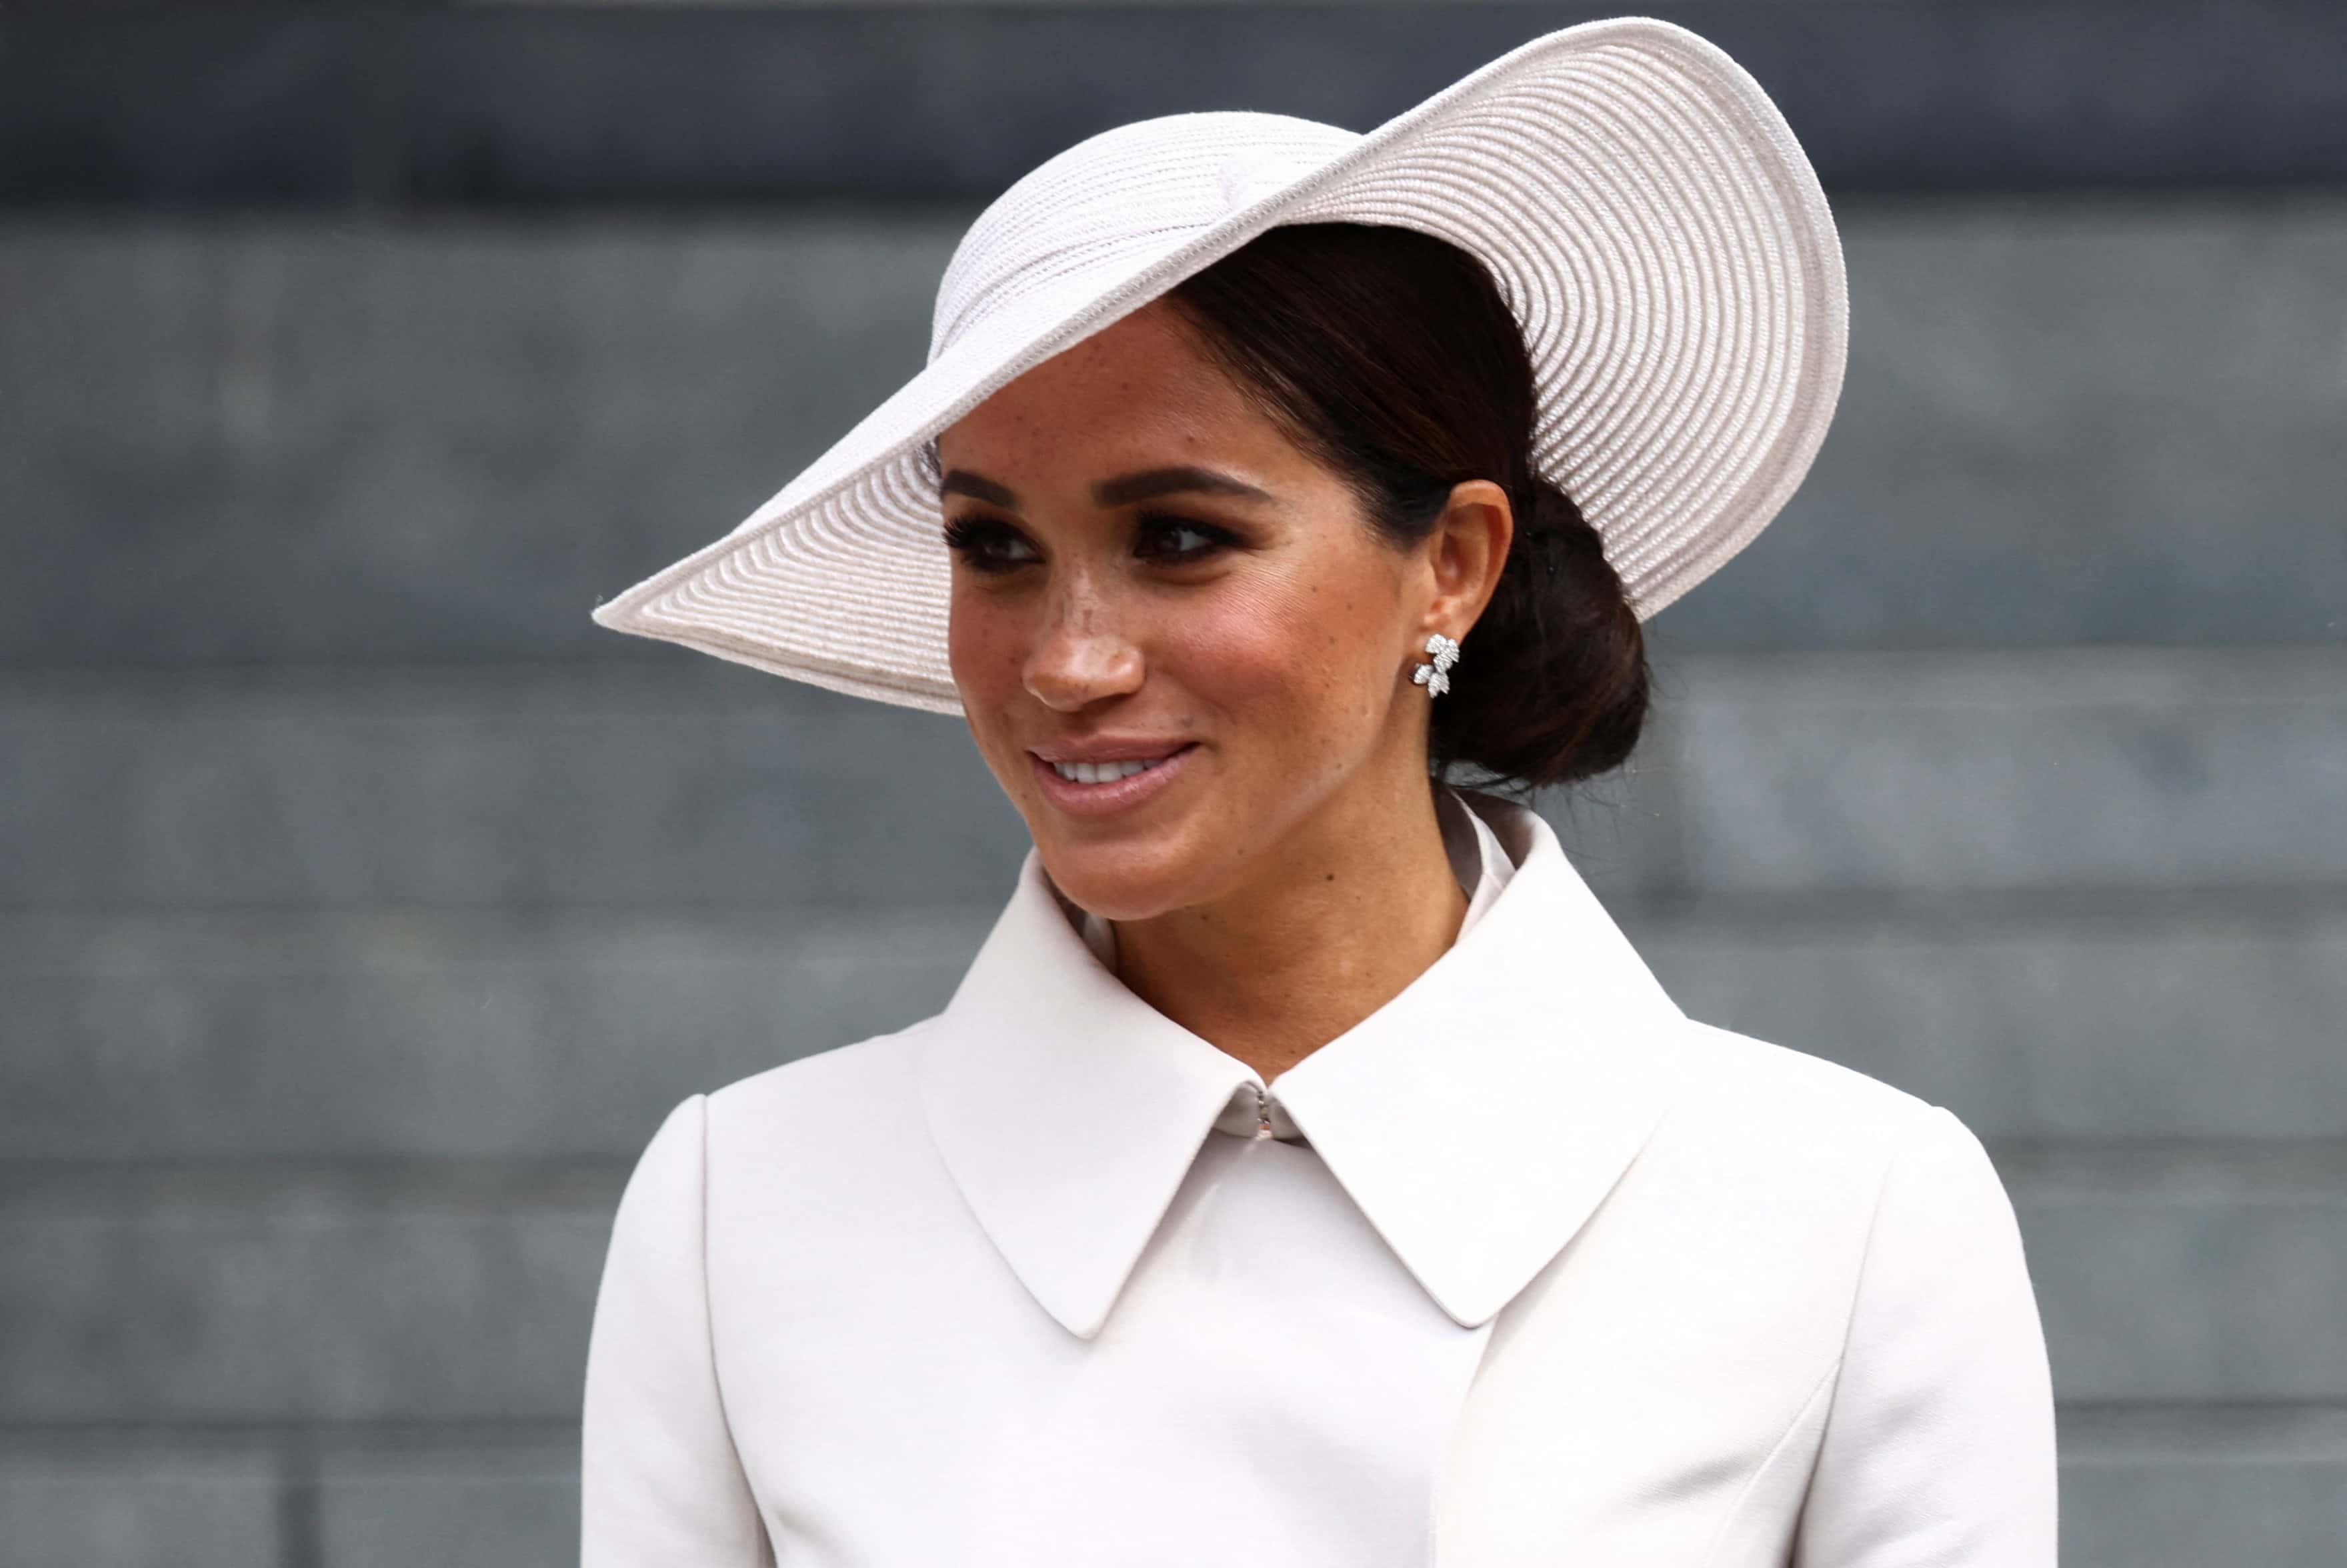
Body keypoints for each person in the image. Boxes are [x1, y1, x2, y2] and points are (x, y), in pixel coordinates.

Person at [578, 17, 2058, 1566]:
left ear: (1451, 565)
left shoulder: (1845, 1217)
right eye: (992, 547)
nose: (1066, 662)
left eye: (1179, 539)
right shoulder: (743, 1211)